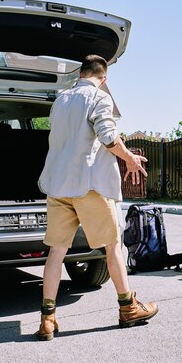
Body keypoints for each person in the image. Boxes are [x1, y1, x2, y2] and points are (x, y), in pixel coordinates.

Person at [36, 54, 158, 341]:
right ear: (104, 78)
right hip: (89, 185)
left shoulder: (60, 100)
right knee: (113, 246)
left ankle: (47, 320)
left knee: (56, 252)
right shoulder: (99, 97)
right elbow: (107, 136)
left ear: (80, 73)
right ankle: (128, 308)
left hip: (58, 186)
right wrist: (129, 158)